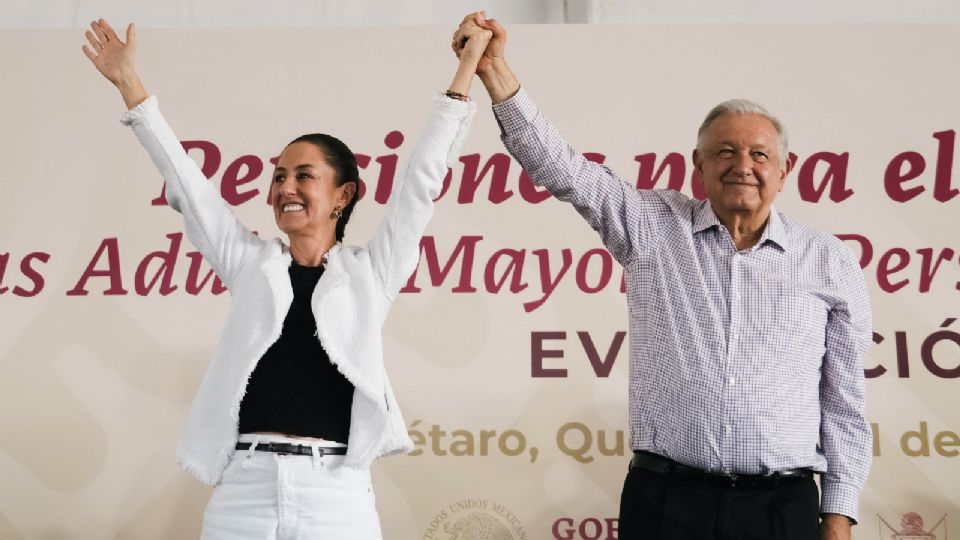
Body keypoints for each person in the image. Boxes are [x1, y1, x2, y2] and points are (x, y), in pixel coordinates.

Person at [452, 12, 872, 540]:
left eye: (758, 154)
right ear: (698, 164)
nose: (742, 164)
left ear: (784, 170)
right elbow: (562, 168)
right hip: (667, 503)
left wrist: (838, 517)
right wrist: (495, 73)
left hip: (780, 509)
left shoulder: (828, 260)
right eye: (725, 151)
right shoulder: (653, 226)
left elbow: (844, 404)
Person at [83, 17, 491, 539]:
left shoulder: (372, 272)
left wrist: (465, 72)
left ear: (343, 197)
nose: (285, 187)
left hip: (337, 493)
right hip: (243, 493)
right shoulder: (251, 263)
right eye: (278, 176)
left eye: (304, 175)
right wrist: (129, 85)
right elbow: (188, 185)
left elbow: (422, 182)